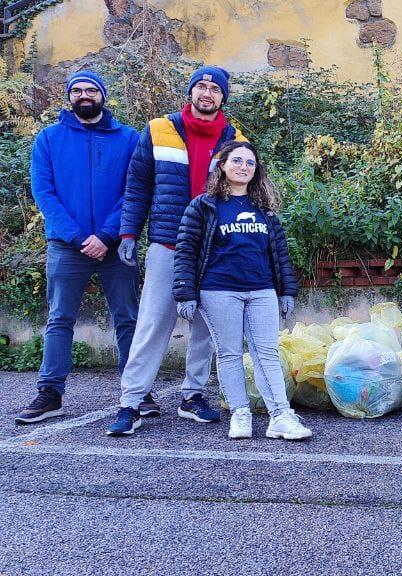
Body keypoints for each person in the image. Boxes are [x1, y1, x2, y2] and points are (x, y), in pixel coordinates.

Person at [107, 65, 247, 436]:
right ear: (190, 92)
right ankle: (131, 401)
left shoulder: (237, 140)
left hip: (215, 248)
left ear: (223, 97)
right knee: (153, 322)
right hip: (168, 242)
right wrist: (128, 234)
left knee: (205, 325)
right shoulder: (158, 130)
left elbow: (244, 195)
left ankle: (192, 395)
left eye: (215, 89)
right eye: (200, 86)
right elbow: (137, 186)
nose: (207, 93)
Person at [15, 71, 141, 425]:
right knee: (59, 319)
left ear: (103, 95)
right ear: (69, 97)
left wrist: (106, 235)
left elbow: (133, 192)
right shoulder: (49, 139)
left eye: (91, 90)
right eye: (77, 90)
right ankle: (50, 393)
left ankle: (136, 391)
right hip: (66, 245)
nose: (84, 95)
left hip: (116, 245)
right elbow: (44, 192)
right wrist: (76, 237)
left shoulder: (128, 138)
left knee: (128, 319)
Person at [171, 141, 309, 440]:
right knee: (230, 353)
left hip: (262, 290)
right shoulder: (204, 206)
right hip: (218, 290)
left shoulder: (265, 210)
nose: (243, 167)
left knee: (266, 353)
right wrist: (184, 293)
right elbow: (185, 251)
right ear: (222, 165)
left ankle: (280, 416)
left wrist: (286, 290)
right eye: (237, 160)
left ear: (256, 169)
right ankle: (240, 414)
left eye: (250, 162)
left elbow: (280, 254)